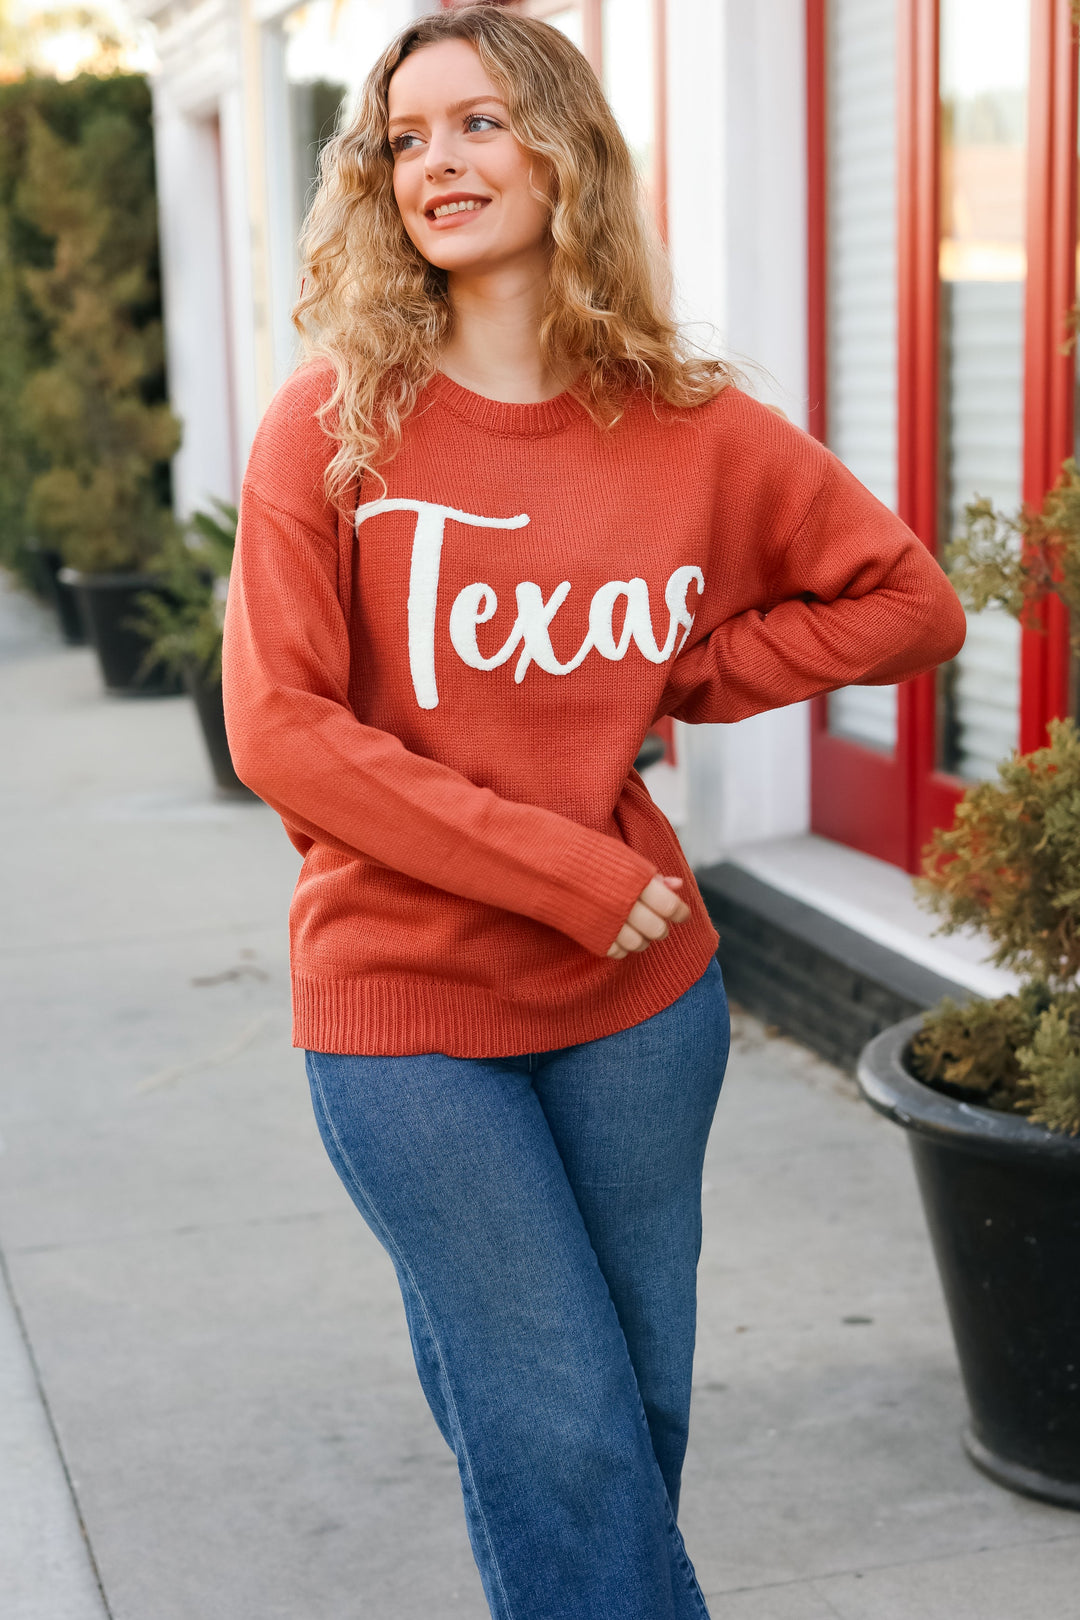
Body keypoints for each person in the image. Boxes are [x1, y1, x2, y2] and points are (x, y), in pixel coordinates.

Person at [222, 7, 967, 1617]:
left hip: (640, 1002)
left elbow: (906, 604)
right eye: (405, 139)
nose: (439, 163)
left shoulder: (692, 430)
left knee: (633, 1413)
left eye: (479, 123)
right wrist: (555, 860)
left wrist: (688, 676)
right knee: (557, 1426)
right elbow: (278, 728)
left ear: (567, 149)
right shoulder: (328, 423)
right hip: (405, 1003)